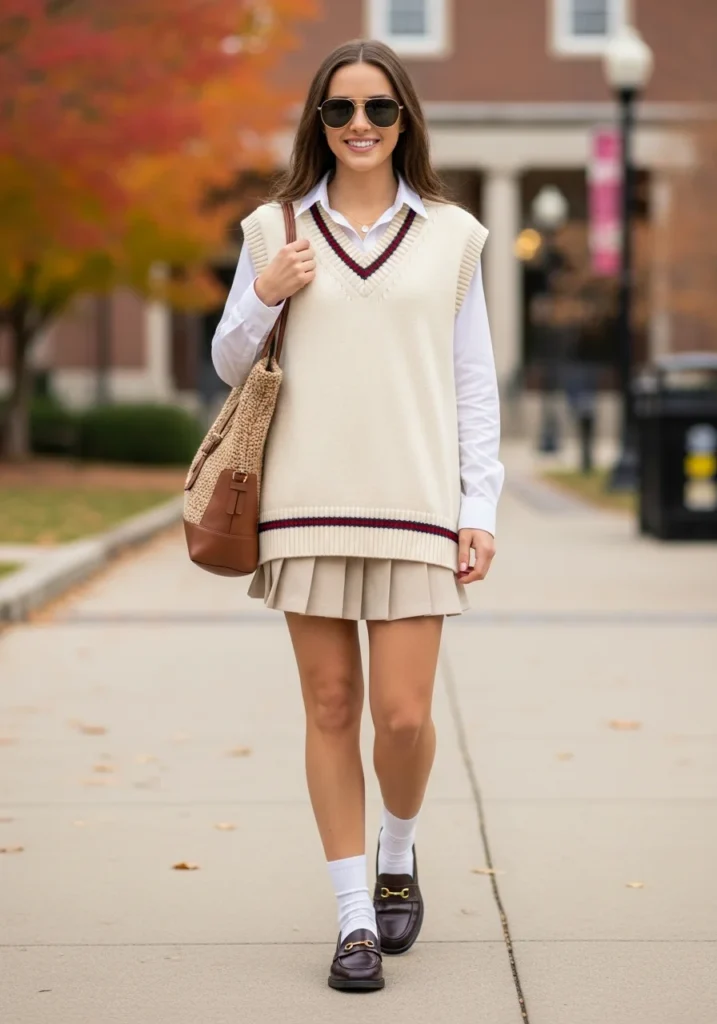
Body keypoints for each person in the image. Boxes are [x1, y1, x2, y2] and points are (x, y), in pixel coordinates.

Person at [212, 39, 504, 993]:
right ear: (319, 122)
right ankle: (352, 923)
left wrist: (479, 504)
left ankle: (399, 846)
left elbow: (473, 385)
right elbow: (225, 360)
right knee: (330, 707)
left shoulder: (454, 235)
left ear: (405, 117)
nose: (361, 126)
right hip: (304, 504)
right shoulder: (274, 229)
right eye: (340, 111)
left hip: (417, 504)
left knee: (404, 717)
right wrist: (265, 293)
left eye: (379, 108)